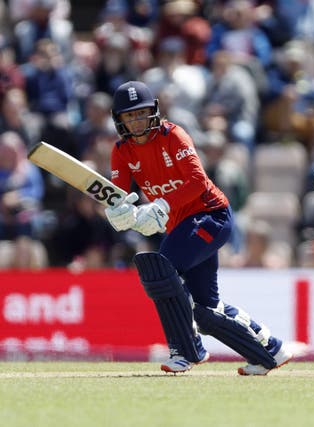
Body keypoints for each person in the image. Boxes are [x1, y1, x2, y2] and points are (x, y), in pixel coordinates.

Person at [103, 81, 292, 374]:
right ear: (120, 120)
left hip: (211, 215)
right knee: (206, 310)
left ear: (153, 111)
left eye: (141, 113)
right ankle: (269, 349)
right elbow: (119, 195)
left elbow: (197, 182)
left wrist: (161, 205)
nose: (137, 121)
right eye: (130, 116)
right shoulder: (121, 151)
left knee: (161, 268)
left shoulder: (174, 135)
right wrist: (119, 214)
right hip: (181, 226)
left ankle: (186, 351)